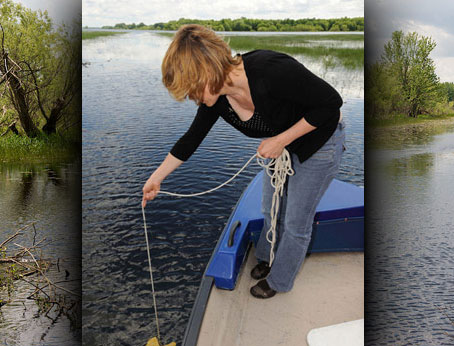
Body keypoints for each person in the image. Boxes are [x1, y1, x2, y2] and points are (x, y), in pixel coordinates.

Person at [141, 24, 345, 299]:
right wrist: (156, 178)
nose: (192, 99)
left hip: (320, 142)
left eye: (192, 90)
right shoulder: (217, 99)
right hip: (281, 148)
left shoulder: (271, 69)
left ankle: (279, 281)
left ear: (206, 71)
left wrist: (280, 140)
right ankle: (268, 257)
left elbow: (331, 103)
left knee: (296, 221)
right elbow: (191, 138)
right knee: (269, 206)